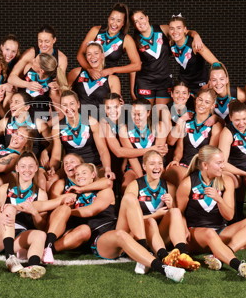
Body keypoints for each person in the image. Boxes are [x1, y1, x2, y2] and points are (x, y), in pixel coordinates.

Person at [52, 162, 188, 282]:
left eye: (84, 172)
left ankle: (152, 252)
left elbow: (93, 207)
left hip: (115, 226)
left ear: (93, 174)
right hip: (100, 239)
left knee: (130, 198)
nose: (79, 176)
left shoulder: (104, 191)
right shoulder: (71, 196)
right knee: (120, 235)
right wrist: (66, 207)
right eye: (76, 174)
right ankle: (164, 269)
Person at [176, 145, 246, 278]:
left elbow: (229, 215)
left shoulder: (226, 181)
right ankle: (237, 265)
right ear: (205, 165)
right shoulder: (188, 183)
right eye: (219, 163)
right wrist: (183, 229)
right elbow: (178, 213)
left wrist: (219, 199)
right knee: (209, 233)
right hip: (196, 235)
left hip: (219, 232)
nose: (223, 166)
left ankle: (220, 256)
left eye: (223, 162)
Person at [118, 151, 200, 273]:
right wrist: (155, 215)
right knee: (151, 221)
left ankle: (183, 255)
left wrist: (171, 205)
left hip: (159, 237)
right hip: (138, 236)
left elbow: (177, 217)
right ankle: (149, 253)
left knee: (176, 211)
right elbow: (128, 221)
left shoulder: (169, 187)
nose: (157, 167)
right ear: (144, 167)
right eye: (152, 164)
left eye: (160, 163)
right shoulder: (134, 186)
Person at [0, 152, 49, 279]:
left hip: (17, 238)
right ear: (17, 168)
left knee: (41, 235)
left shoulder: (41, 194)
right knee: (9, 208)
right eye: (23, 166)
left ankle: (33, 267)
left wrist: (34, 212)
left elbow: (42, 226)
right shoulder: (5, 188)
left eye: (31, 166)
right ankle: (9, 257)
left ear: (36, 168)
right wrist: (0, 215)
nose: (27, 170)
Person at [130, 10, 204, 105]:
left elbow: (182, 32)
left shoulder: (163, 29)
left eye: (141, 18)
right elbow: (134, 66)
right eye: (136, 21)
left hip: (164, 81)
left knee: (160, 114)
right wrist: (132, 90)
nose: (140, 22)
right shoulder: (134, 40)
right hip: (145, 81)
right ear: (134, 25)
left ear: (147, 18)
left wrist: (196, 35)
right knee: (146, 114)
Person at [165, 88, 222, 187]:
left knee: (193, 180)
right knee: (176, 173)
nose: (202, 104)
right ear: (195, 100)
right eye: (200, 99)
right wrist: (176, 160)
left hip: (203, 167)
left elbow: (211, 154)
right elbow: (179, 148)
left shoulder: (215, 126)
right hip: (184, 165)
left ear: (212, 105)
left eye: (207, 102)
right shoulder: (186, 120)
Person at [52, 90, 115, 179]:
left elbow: (103, 150)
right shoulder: (57, 127)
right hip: (72, 168)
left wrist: (107, 169)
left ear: (78, 104)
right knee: (51, 181)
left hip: (93, 165)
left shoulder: (91, 122)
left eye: (72, 104)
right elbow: (56, 156)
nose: (68, 108)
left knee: (107, 182)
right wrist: (52, 168)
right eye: (64, 105)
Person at [218, 100, 246, 221]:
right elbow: (222, 163)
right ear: (231, 118)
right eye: (237, 120)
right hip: (233, 170)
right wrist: (243, 173)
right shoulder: (227, 133)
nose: (241, 123)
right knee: (229, 183)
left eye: (244, 119)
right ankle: (233, 219)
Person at [76, 3, 141, 79]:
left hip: (108, 79)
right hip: (89, 74)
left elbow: (137, 65)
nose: (114, 23)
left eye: (119, 21)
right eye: (112, 19)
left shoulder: (127, 39)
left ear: (123, 23)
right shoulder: (95, 30)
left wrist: (112, 70)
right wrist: (89, 70)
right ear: (108, 19)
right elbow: (80, 54)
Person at [118, 99, 168, 190]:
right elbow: (131, 156)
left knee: (164, 185)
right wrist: (142, 179)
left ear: (148, 113)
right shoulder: (124, 129)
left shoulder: (159, 126)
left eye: (140, 114)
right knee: (126, 186)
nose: (136, 118)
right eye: (133, 114)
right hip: (134, 166)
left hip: (155, 165)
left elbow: (157, 154)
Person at [168, 15, 219, 96]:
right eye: (172, 28)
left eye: (179, 28)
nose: (175, 31)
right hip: (185, 84)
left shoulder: (194, 43)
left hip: (201, 83)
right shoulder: (171, 43)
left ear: (185, 29)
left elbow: (216, 63)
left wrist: (212, 79)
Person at [8, 52, 66, 120]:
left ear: (41, 70)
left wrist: (46, 126)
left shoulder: (52, 86)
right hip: (20, 116)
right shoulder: (28, 68)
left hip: (38, 120)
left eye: (35, 61)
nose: (33, 60)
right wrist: (27, 84)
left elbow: (60, 114)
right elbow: (10, 79)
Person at [68, 41, 121, 109]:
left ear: (102, 55)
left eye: (96, 53)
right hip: (79, 118)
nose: (92, 57)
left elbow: (115, 107)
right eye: (89, 54)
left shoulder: (112, 79)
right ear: (86, 57)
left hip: (101, 118)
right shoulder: (76, 72)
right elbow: (64, 93)